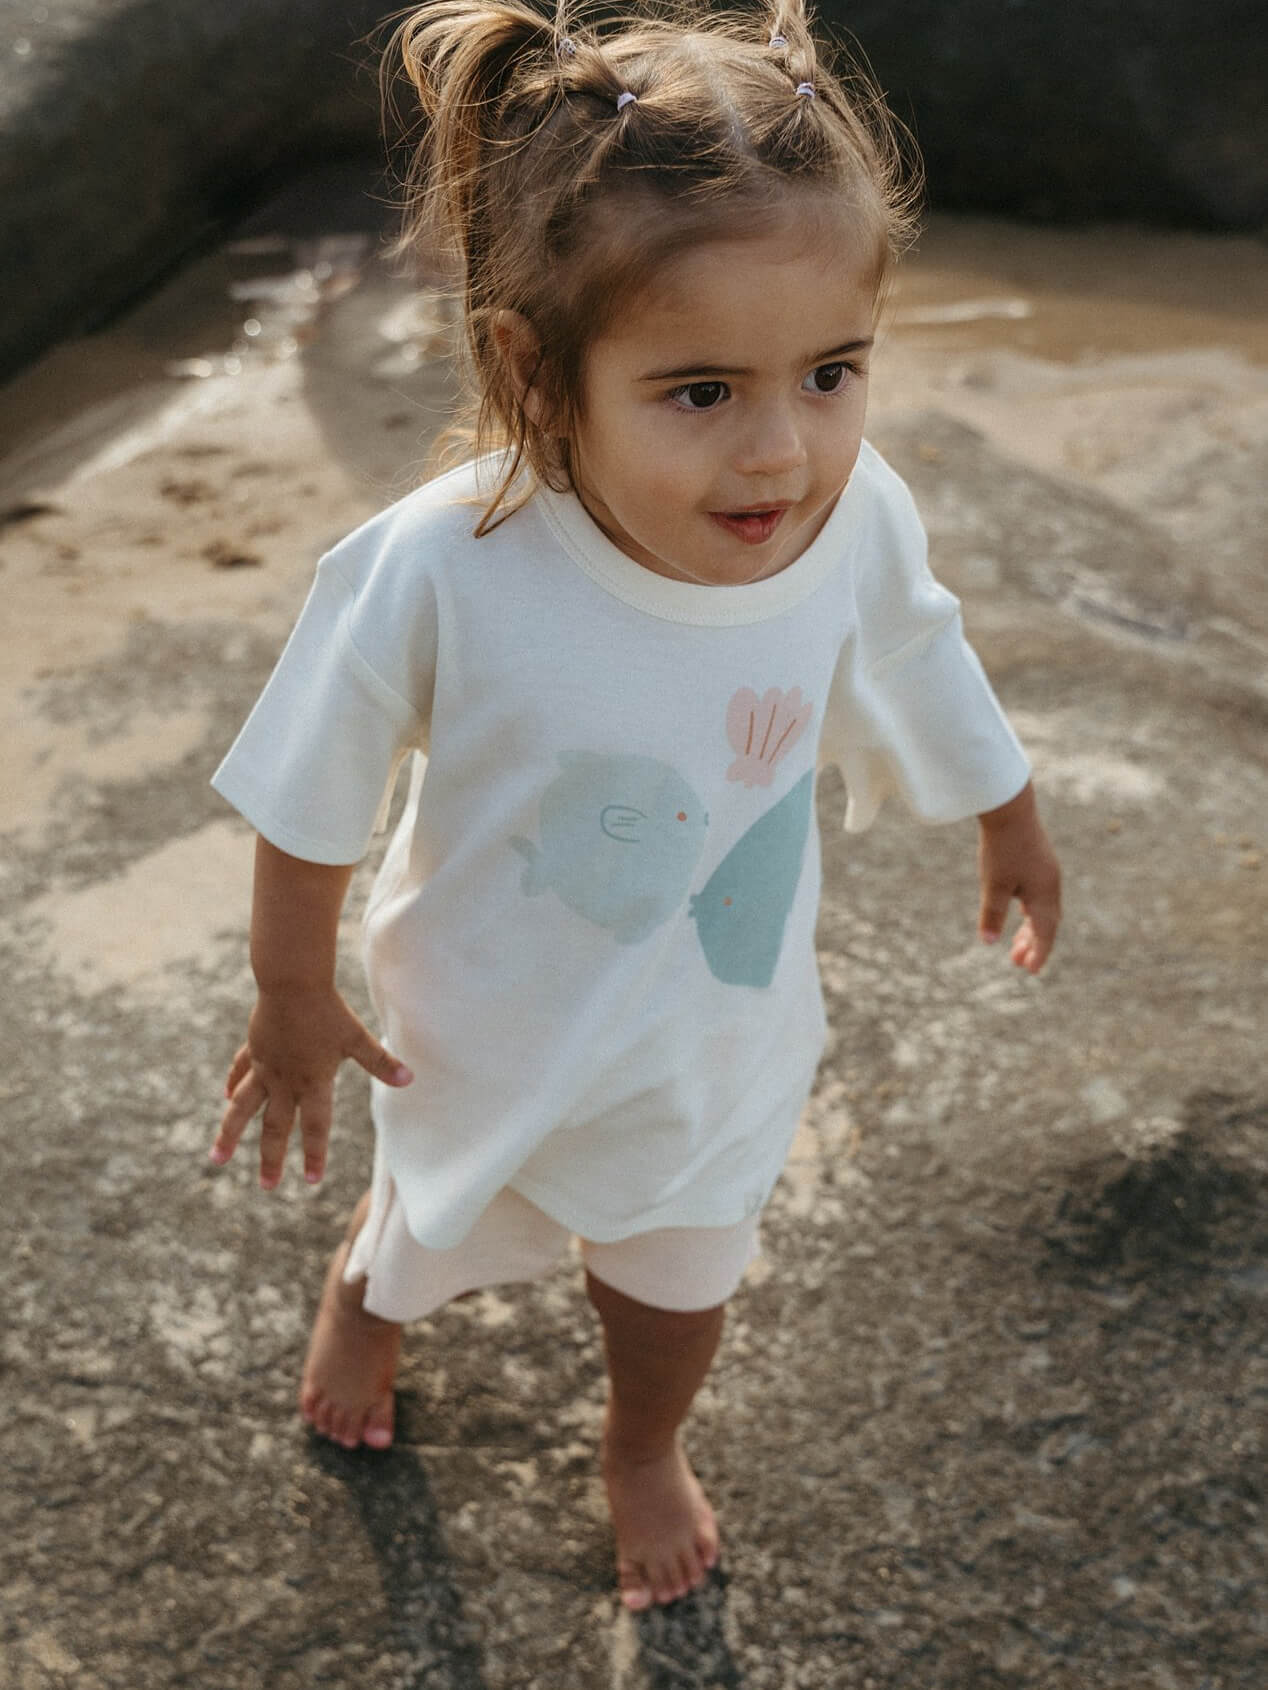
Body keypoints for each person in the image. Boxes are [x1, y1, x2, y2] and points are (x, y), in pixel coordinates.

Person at [208, 0, 1062, 1613]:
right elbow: (310, 777)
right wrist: (290, 988)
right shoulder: (446, 566)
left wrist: (1003, 806)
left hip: (716, 1030)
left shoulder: (847, 509)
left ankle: (641, 1444)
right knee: (434, 1211)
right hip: (486, 1019)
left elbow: (912, 644)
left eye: (830, 373)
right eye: (699, 391)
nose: (782, 451)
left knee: (679, 1284)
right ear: (541, 374)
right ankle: (367, 1298)